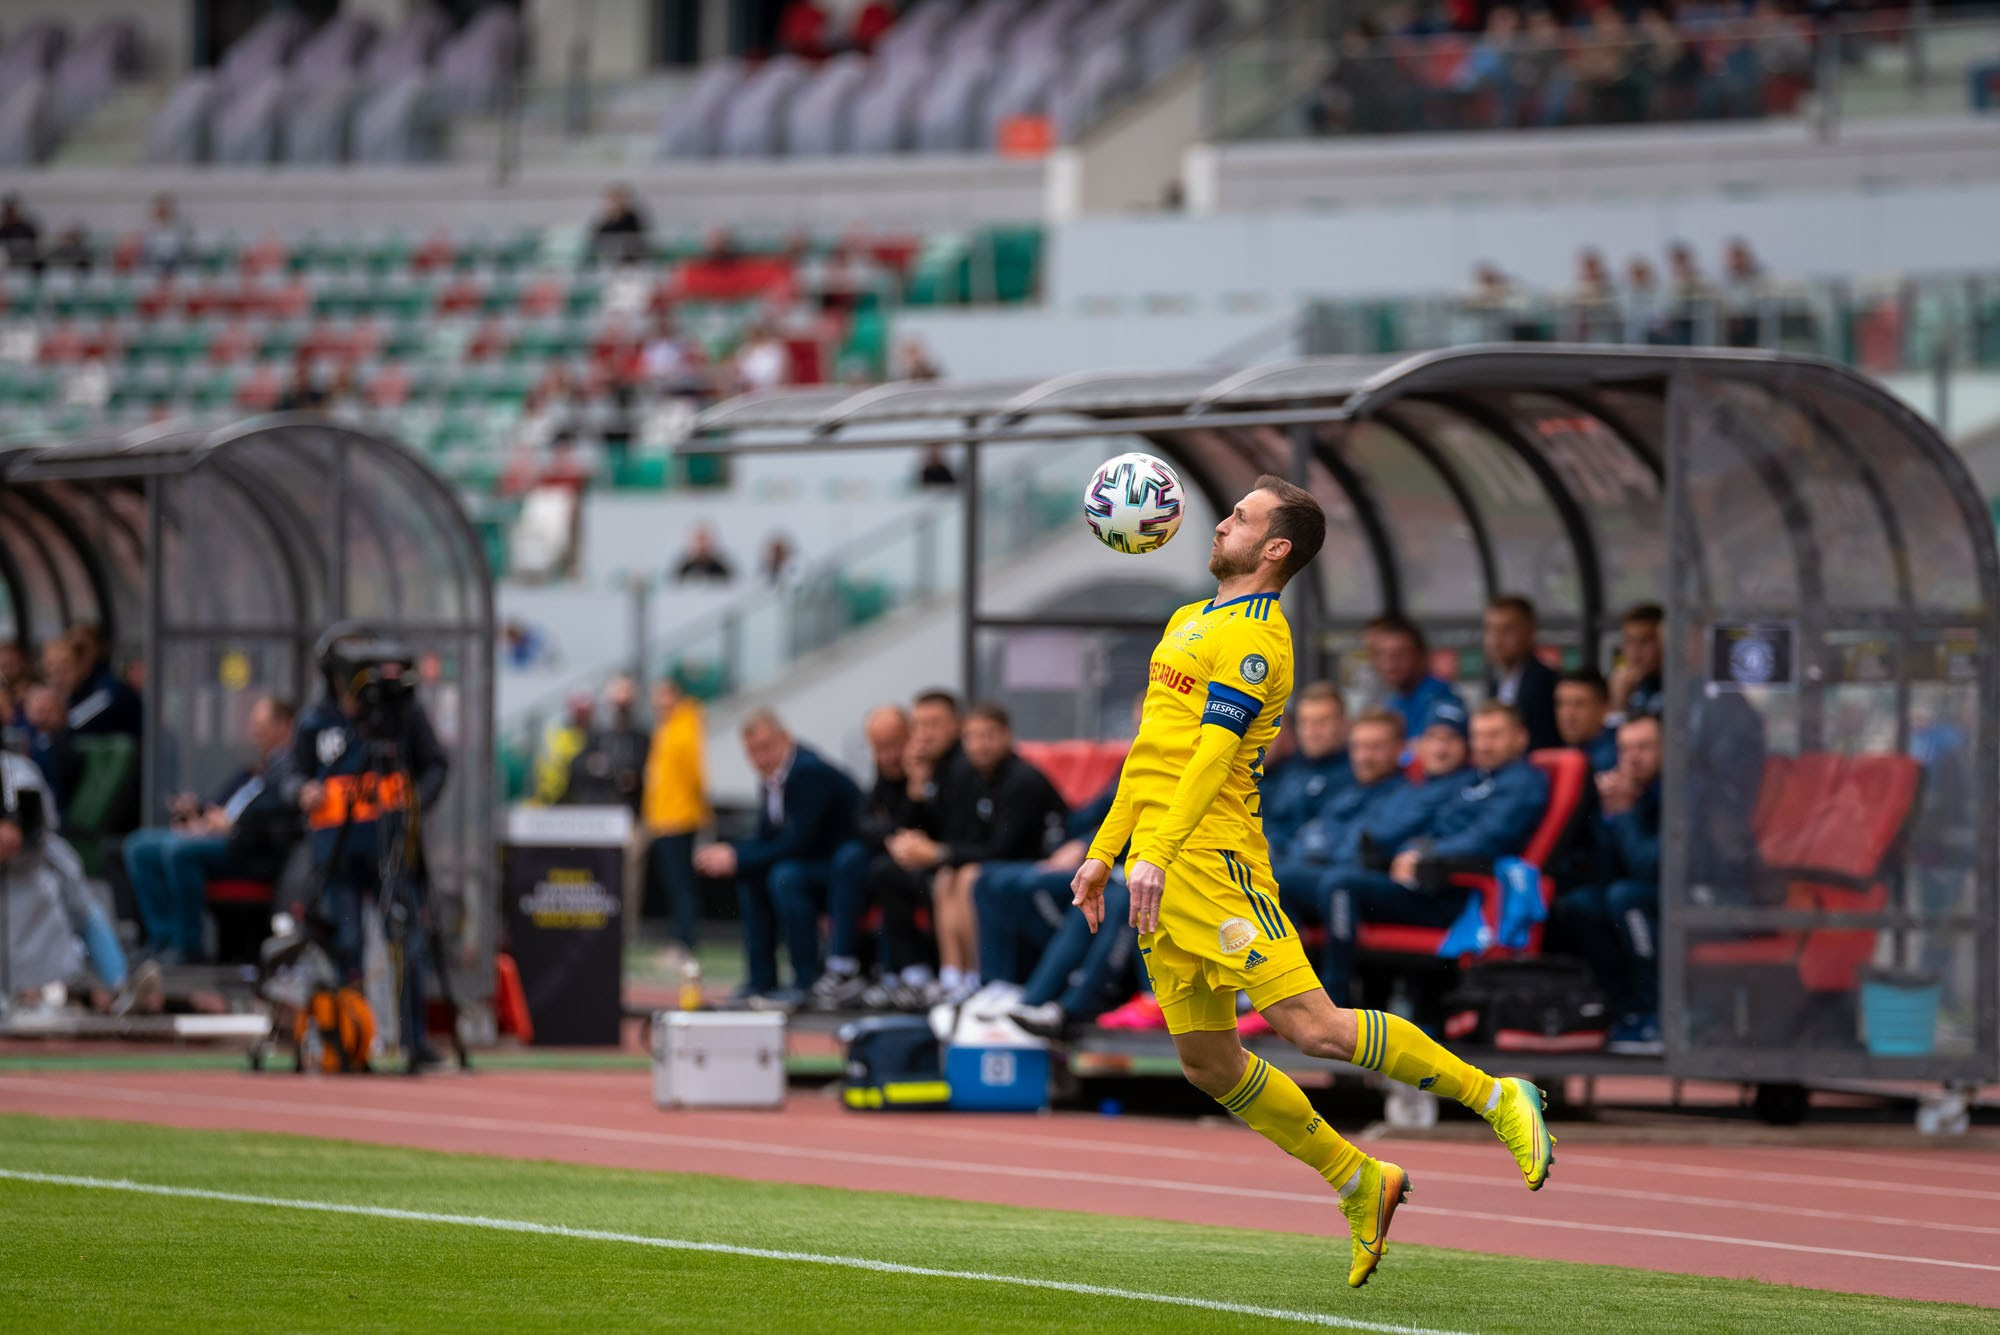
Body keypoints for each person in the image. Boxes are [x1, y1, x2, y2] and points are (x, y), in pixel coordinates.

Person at [1069, 476, 1555, 1290]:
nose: (1219, 522)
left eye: (1240, 517)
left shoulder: (1262, 639)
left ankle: (1499, 1095)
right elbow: (1150, 753)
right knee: (1207, 1064)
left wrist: (1156, 852)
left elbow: (1213, 757)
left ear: (1275, 548)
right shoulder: (1188, 619)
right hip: (1158, 860)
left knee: (1314, 1026)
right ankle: (1360, 1178)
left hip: (1214, 861)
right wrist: (1104, 850)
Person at [1321, 702, 1549, 1010]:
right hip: (1429, 880)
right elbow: (1432, 829)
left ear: (1520, 739)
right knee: (1311, 880)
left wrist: (1424, 853)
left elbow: (1489, 838)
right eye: (1479, 736)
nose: (1484, 745)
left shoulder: (1522, 781)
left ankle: (1333, 1003)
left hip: (1461, 894)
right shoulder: (1478, 780)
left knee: (1342, 882)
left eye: (1494, 736)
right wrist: (1414, 850)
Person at [292, 629, 452, 1065]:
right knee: (347, 942)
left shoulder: (403, 714)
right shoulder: (316, 720)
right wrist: (300, 791)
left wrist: (415, 802)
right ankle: (350, 1039)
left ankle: (413, 1040)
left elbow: (436, 763)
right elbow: (291, 772)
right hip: (337, 852)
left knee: (407, 941)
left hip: (392, 848)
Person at [882, 702, 1067, 1004]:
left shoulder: (1023, 780)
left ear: (1007, 736)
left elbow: (1003, 848)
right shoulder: (974, 777)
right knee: (946, 877)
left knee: (969, 876)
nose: (980, 745)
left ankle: (980, 976)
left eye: (989, 735)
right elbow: (961, 836)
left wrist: (938, 852)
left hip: (1037, 863)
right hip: (999, 863)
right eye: (973, 737)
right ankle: (953, 976)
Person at [694, 710, 859, 1008]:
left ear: (786, 739)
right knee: (754, 875)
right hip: (809, 861)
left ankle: (806, 979)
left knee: (784, 876)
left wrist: (738, 858)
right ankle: (761, 980)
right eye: (752, 752)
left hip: (844, 868)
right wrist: (734, 854)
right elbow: (767, 838)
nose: (760, 758)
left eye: (766, 748)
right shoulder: (773, 778)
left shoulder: (808, 772)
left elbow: (799, 841)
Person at [123, 696, 300, 964]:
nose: (254, 735)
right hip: (219, 832)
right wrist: (200, 810)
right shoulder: (259, 767)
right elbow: (227, 801)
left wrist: (232, 825)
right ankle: (162, 939)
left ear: (284, 726)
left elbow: (273, 817)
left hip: (248, 848)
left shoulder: (291, 768)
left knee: (179, 851)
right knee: (140, 847)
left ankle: (188, 945)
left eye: (260, 727)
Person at [1555, 713, 1663, 1053]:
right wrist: (1608, 814)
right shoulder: (1626, 791)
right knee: (1579, 905)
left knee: (1625, 897)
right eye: (1625, 748)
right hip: (1633, 894)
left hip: (1687, 899)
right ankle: (1623, 1007)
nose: (1632, 757)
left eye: (1644, 747)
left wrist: (1626, 813)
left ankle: (1656, 1012)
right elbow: (1606, 869)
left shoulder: (1679, 793)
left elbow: (1649, 867)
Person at [805, 704, 911, 1011]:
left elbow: (919, 823)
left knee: (885, 872)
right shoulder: (883, 776)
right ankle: (841, 965)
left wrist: (892, 833)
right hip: (886, 853)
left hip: (915, 862)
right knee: (850, 858)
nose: (888, 756)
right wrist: (889, 834)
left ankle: (893, 974)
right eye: (879, 748)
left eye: (894, 745)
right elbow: (864, 820)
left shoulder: (923, 772)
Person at [642, 676, 707, 964]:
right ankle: (679, 939)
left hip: (679, 817)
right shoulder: (668, 726)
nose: (658, 703)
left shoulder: (684, 725)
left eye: (663, 696)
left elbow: (694, 773)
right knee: (674, 884)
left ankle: (684, 942)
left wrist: (698, 810)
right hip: (664, 816)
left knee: (681, 884)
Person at [1258, 682, 1352, 853]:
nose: (1312, 732)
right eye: (1305, 722)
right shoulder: (1285, 771)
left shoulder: (1356, 773)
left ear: (1343, 724)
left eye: (1322, 722)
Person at [1363, 613, 1462, 745]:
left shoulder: (1441, 697)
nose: (1389, 664)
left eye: (1400, 654)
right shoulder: (1392, 701)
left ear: (1421, 656)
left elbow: (1431, 751)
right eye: (1382, 655)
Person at [1483, 595, 1561, 752]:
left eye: (1506, 630)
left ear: (1530, 632)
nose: (1496, 640)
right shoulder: (1495, 682)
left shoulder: (1546, 682)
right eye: (1490, 630)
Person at [1554, 667, 1619, 774]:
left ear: (1604, 708)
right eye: (1561, 704)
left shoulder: (1617, 756)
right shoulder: (1566, 751)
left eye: (1580, 704)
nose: (1568, 714)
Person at [1608, 602, 1664, 722]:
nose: (1635, 651)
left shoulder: (1676, 686)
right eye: (1629, 642)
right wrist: (1618, 702)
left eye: (1644, 642)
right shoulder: (1622, 685)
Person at [590, 185, 650, 264]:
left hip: (631, 261)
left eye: (617, 199)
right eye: (612, 200)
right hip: (610, 260)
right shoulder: (606, 221)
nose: (614, 203)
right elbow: (596, 238)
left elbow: (636, 239)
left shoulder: (632, 219)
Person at [0, 195, 41, 269]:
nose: (10, 214)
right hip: (7, 266)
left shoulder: (27, 229)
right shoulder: (3, 230)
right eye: (8, 211)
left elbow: (36, 246)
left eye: (12, 210)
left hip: (25, 265)